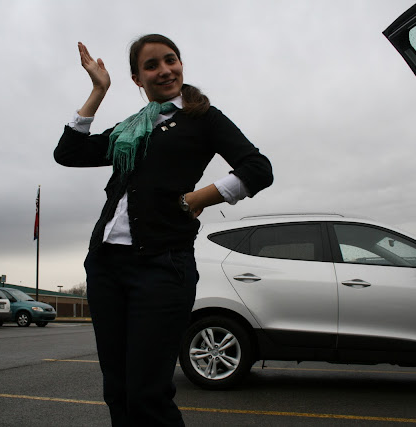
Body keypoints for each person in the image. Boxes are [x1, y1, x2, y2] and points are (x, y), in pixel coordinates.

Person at [54, 34, 273, 426]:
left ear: (181, 64)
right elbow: (68, 153)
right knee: (117, 390)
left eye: (170, 60)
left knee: (147, 394)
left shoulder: (203, 118)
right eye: (151, 65)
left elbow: (258, 170)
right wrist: (99, 90)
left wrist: (197, 198)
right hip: (106, 265)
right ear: (137, 78)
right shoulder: (131, 127)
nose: (164, 70)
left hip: (162, 265)